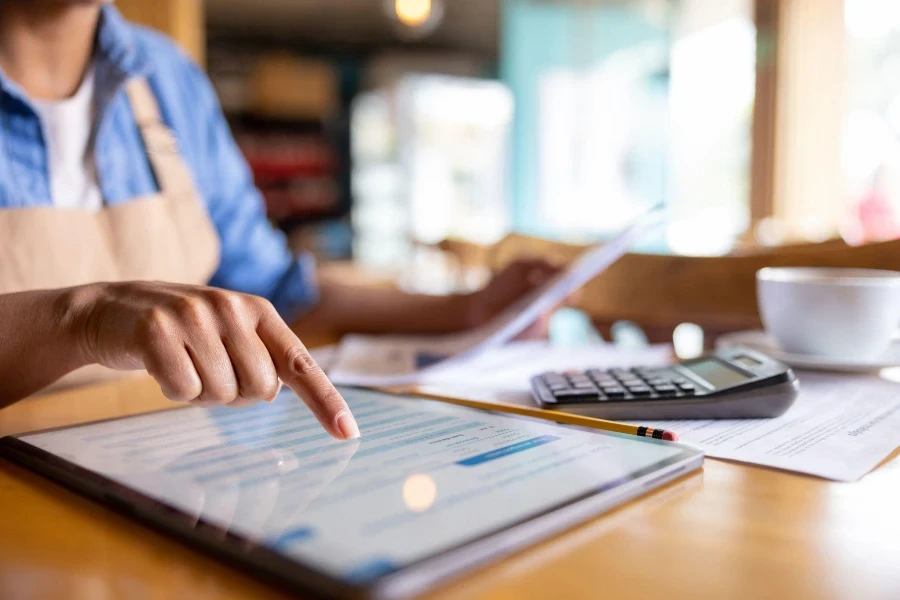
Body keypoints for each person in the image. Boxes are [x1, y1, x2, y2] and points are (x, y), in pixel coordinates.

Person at [0, 1, 558, 441]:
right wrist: (82, 320)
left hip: (163, 480)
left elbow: (273, 292)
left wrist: (470, 309)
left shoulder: (168, 79)